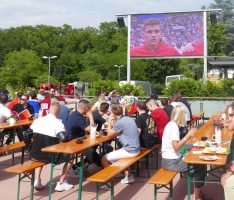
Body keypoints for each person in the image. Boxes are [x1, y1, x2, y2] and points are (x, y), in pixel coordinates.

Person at [161, 105, 207, 200]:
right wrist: (188, 136)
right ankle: (197, 197)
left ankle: (200, 193)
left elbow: (175, 146)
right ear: (181, 116)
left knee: (196, 157)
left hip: (169, 159)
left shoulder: (170, 124)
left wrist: (192, 146)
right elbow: (176, 147)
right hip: (172, 162)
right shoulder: (174, 127)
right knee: (200, 166)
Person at [30, 99, 73, 191]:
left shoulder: (38, 120)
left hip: (35, 154)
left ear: (49, 110)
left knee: (39, 152)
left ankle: (37, 180)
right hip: (51, 156)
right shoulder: (58, 123)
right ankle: (61, 182)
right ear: (59, 112)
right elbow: (63, 139)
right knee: (71, 157)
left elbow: (28, 134)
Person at [102, 104, 140, 184]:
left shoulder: (120, 122)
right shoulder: (127, 118)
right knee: (118, 157)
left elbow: (109, 134)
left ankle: (108, 181)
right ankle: (129, 176)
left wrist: (109, 120)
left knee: (104, 159)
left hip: (130, 150)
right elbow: (117, 128)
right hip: (136, 148)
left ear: (113, 113)